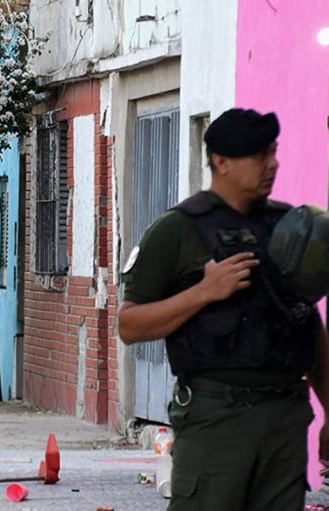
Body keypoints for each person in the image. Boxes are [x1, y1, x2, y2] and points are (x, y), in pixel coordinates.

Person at [118, 108, 329, 510]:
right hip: (216, 417)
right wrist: (204, 292)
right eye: (260, 155)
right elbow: (129, 325)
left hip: (285, 416)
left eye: (274, 152)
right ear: (222, 162)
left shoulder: (289, 225)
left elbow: (308, 322)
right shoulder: (178, 230)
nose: (273, 164)